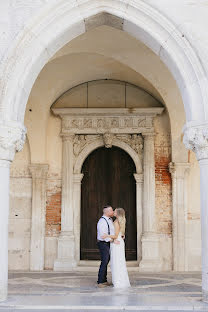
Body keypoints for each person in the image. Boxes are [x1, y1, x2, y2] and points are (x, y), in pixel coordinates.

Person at [102, 208, 131, 288]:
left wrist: (106, 235)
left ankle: (119, 281)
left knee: (117, 262)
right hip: (118, 241)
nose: (113, 212)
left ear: (117, 213)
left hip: (116, 243)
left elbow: (115, 235)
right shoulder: (118, 221)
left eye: (114, 211)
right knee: (118, 261)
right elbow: (120, 234)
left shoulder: (116, 222)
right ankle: (119, 280)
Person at [97, 205, 116, 288]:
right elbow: (102, 235)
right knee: (104, 261)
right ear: (107, 212)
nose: (113, 212)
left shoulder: (110, 220)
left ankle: (104, 280)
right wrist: (112, 240)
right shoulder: (102, 221)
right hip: (103, 243)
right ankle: (100, 281)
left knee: (106, 261)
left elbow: (111, 232)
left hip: (108, 243)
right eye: (111, 210)